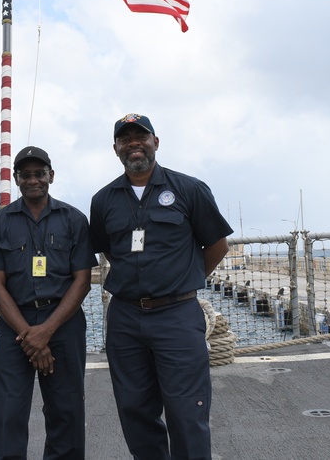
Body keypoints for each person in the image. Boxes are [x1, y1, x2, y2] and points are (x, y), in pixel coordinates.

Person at [89, 113, 232, 460]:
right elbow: (107, 248)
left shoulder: (189, 189)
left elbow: (216, 245)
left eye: (141, 137)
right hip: (125, 318)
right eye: (126, 139)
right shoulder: (104, 200)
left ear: (156, 141)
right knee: (135, 411)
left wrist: (182, 280)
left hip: (177, 315)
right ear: (115, 148)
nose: (134, 144)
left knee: (187, 413)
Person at [0, 146, 97, 460]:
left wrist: (47, 331)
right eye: (26, 174)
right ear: (16, 178)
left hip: (64, 323)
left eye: (39, 174)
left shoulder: (73, 219)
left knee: (66, 412)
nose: (33, 180)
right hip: (15, 327)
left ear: (51, 176)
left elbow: (82, 281)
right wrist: (30, 336)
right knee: (8, 413)